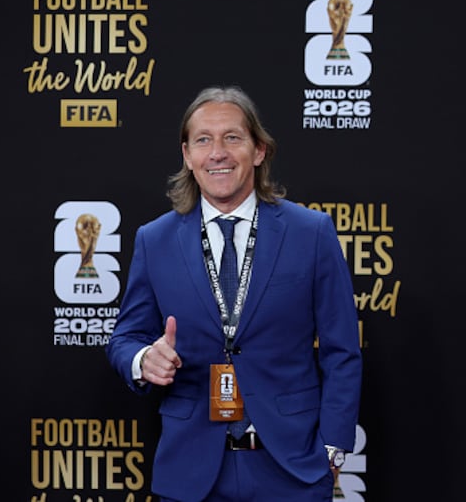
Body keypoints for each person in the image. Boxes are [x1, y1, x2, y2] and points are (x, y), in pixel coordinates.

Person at [106, 85, 362, 502]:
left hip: (291, 469)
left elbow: (342, 350)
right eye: (203, 140)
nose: (218, 153)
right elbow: (125, 338)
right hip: (191, 472)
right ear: (187, 155)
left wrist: (333, 446)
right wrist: (142, 359)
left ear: (258, 150)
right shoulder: (155, 240)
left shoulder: (311, 233)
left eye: (232, 138)